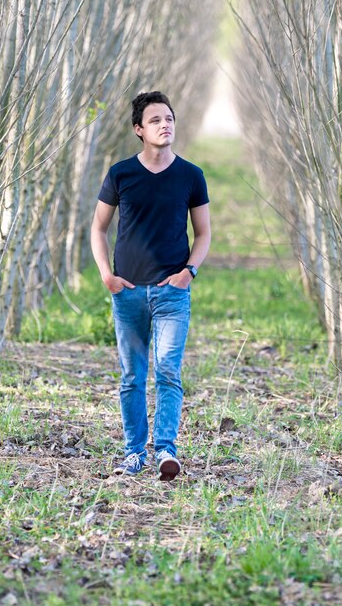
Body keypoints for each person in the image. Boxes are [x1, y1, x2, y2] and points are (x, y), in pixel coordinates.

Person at [90, 91, 211, 480]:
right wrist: (106, 276)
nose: (165, 125)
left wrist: (188, 272)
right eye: (156, 120)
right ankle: (133, 452)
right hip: (128, 294)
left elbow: (204, 233)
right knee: (132, 376)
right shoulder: (120, 174)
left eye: (170, 119)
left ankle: (165, 451)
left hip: (172, 293)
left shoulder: (191, 175)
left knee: (169, 371)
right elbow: (98, 227)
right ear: (139, 130)